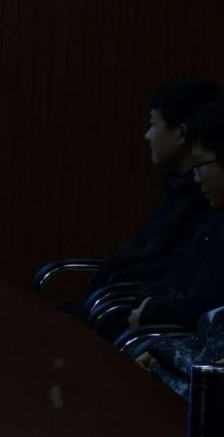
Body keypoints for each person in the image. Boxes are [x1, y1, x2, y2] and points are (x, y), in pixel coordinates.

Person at [86, 78, 219, 293]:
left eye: (153, 124)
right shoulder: (178, 191)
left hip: (128, 305)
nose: (147, 135)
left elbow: (159, 270)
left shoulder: (198, 201)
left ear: (181, 133)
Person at [126, 98, 224, 332]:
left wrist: (150, 312)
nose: (196, 177)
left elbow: (200, 306)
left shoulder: (207, 215)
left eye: (200, 164)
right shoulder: (214, 218)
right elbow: (180, 275)